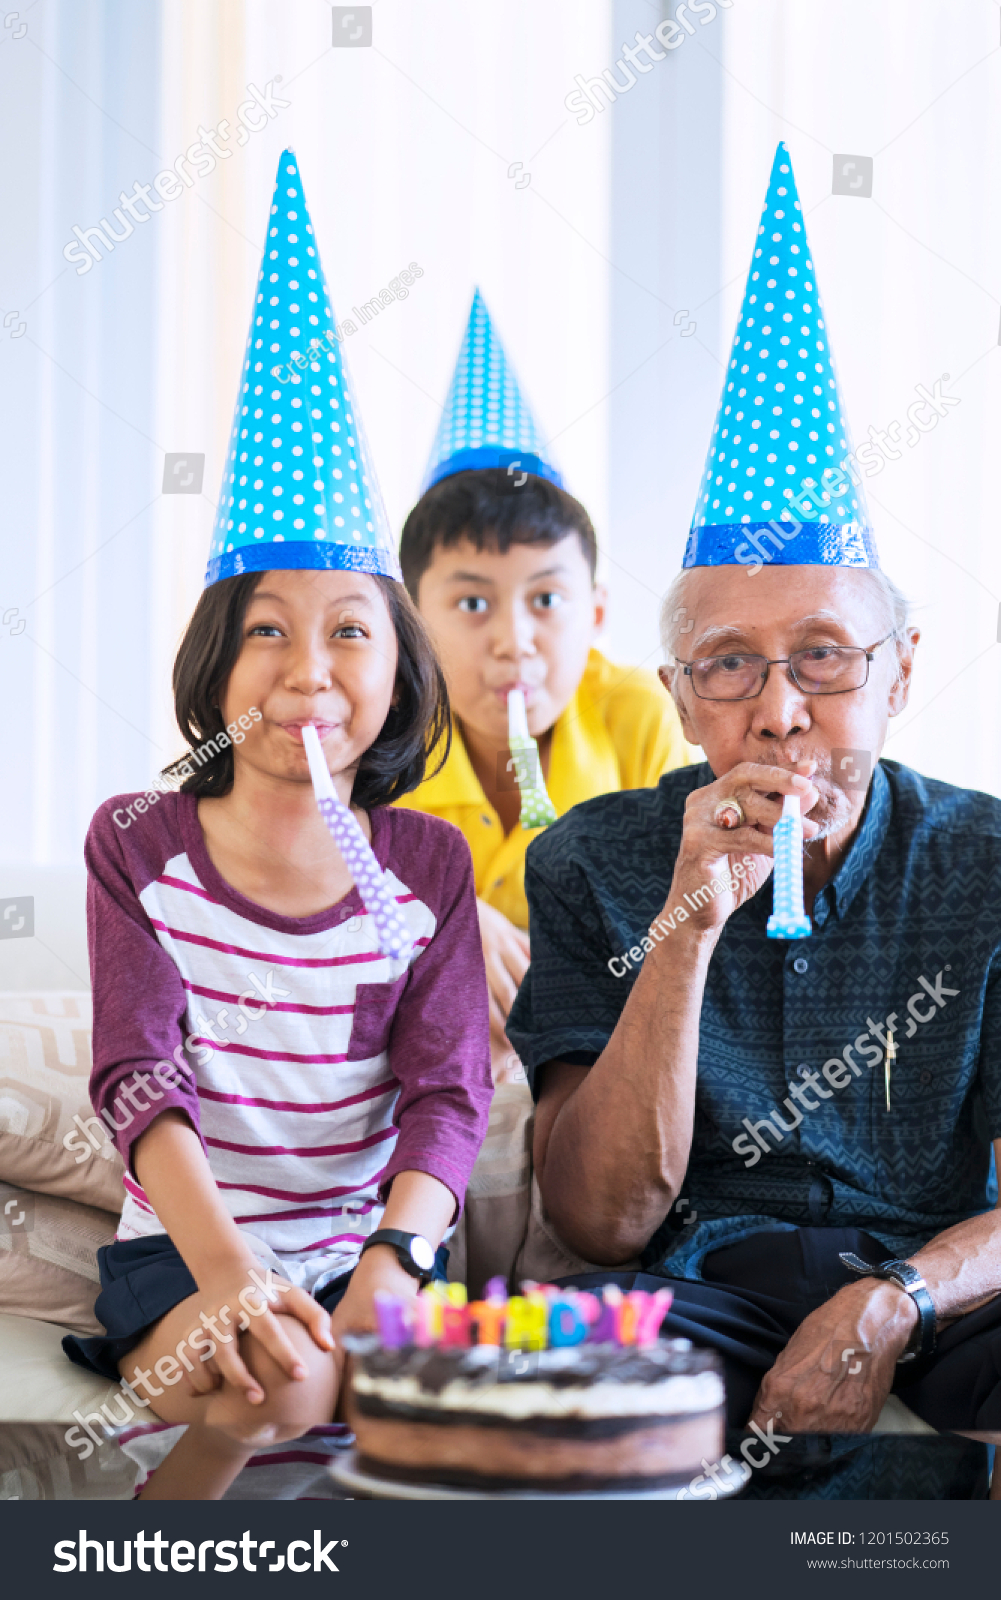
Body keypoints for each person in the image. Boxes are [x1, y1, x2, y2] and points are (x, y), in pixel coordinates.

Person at [507, 144, 1001, 1440]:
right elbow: (600, 1221)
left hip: (942, 1286)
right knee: (551, 1417)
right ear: (677, 696)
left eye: (825, 657)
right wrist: (687, 925)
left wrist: (890, 1302)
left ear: (900, 672)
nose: (778, 709)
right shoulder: (590, 866)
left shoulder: (984, 861)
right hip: (700, 1287)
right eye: (728, 666)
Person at [62, 150, 492, 1500]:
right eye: (267, 631)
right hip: (186, 1249)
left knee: (386, 1391)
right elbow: (140, 1080)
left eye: (349, 630)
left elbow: (449, 1097)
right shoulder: (138, 842)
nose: (309, 669)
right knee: (278, 1373)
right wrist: (238, 1275)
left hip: (369, 1254)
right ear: (215, 661)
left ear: (398, 667)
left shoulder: (427, 867)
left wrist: (390, 1265)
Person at [395, 290, 691, 1076]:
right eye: (470, 602)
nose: (513, 642)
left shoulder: (641, 717)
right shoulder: (376, 732)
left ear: (593, 611)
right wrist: (440, 916)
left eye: (546, 600)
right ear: (410, 618)